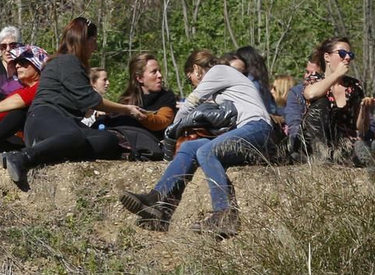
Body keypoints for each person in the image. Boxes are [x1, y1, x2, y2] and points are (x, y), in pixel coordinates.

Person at [117, 48, 273, 238]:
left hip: (258, 128)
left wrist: (172, 130)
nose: (192, 83)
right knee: (191, 147)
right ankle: (160, 205)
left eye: (189, 77)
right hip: (245, 131)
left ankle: (225, 215)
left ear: (197, 69)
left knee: (207, 152)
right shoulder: (223, 85)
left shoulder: (218, 71)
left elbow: (191, 103)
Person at [2, 18, 145, 191]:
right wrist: (127, 109)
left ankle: (51, 149)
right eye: (94, 41)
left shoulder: (69, 63)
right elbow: (90, 100)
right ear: (85, 40)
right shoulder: (67, 61)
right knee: (75, 136)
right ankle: (23, 157)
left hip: (63, 125)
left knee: (108, 140)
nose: (95, 47)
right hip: (44, 118)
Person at [297, 37, 375, 164]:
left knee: (358, 146)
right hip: (316, 139)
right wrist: (336, 75)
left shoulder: (354, 86)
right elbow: (310, 94)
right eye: (342, 53)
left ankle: (364, 156)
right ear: (327, 57)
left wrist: (364, 109)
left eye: (350, 54)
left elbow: (361, 128)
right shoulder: (315, 78)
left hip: (342, 140)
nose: (347, 58)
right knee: (320, 102)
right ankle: (320, 154)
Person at [104, 52, 178, 159]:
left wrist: (139, 115)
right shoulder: (126, 100)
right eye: (154, 72)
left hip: (151, 144)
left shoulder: (166, 97)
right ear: (139, 78)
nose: (160, 76)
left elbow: (162, 121)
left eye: (159, 71)